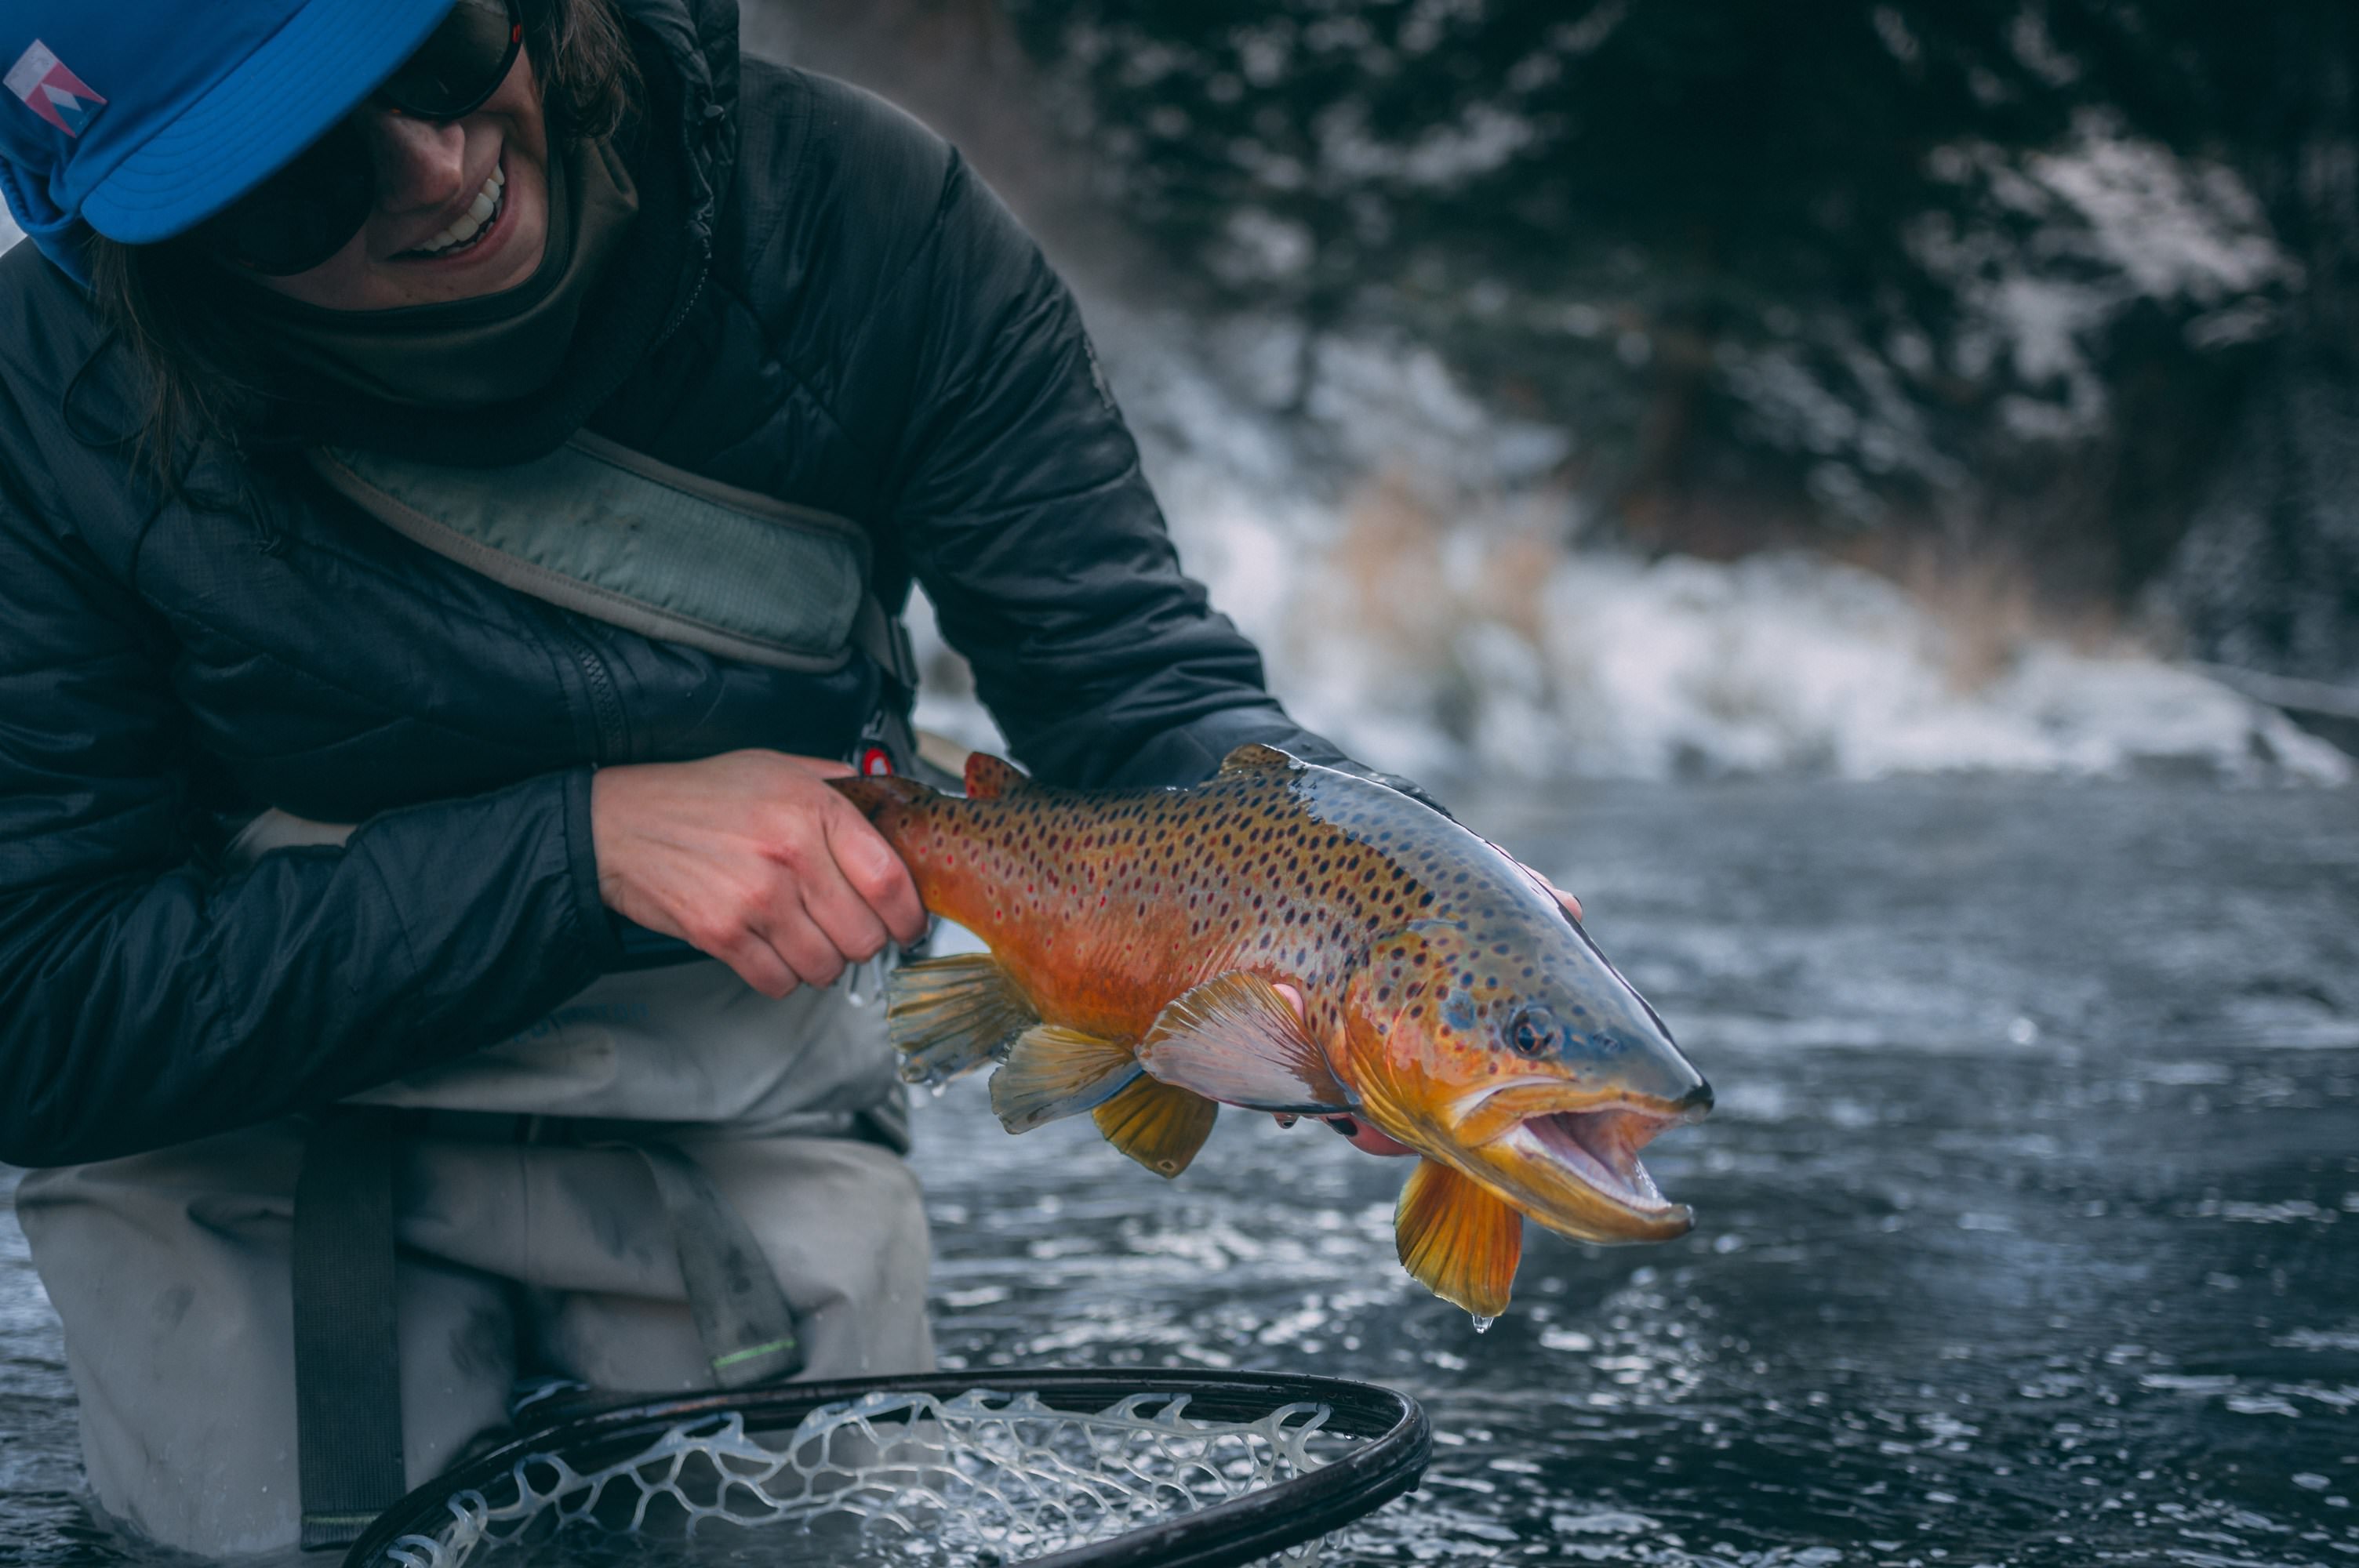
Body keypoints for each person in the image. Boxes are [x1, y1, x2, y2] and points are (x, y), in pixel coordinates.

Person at [0, 0, 1577, 1555]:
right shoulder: (37, 407)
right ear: (146, 256)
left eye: (436, 51)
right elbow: (38, 1016)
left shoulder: (863, 221)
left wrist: (1386, 902)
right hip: (229, 1117)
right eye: (290, 178)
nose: (434, 165)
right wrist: (578, 851)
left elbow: (1133, 691)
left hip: (728, 1094)